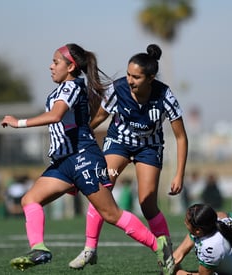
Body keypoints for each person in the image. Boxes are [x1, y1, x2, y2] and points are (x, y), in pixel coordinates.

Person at [0, 43, 175, 274]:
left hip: (83, 159)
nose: (50, 66)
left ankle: (158, 245)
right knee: (29, 200)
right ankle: (39, 249)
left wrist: (18, 122)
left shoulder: (71, 87)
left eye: (55, 62)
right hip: (64, 162)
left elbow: (56, 115)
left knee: (111, 214)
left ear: (71, 66)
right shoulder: (60, 89)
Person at [69, 44, 188, 269]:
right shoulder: (118, 89)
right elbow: (99, 118)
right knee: (100, 189)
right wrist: (80, 136)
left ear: (150, 78)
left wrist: (179, 174)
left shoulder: (165, 95)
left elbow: (181, 137)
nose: (130, 80)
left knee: (147, 204)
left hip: (149, 149)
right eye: (128, 75)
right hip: (119, 144)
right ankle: (89, 249)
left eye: (136, 77)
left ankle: (167, 253)